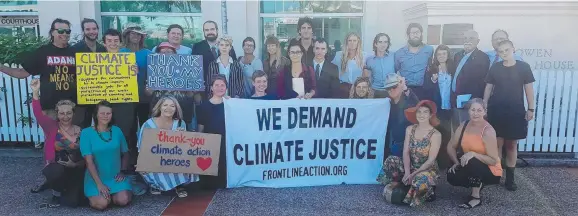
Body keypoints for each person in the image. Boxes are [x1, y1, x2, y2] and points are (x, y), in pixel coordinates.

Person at [0, 18, 84, 124]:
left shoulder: (76, 52)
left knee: (74, 139)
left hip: (73, 107)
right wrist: (1, 67)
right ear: (52, 32)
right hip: (51, 108)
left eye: (68, 31)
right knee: (53, 139)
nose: (65, 34)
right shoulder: (43, 52)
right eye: (61, 31)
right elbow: (22, 73)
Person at [483, 40, 535, 191]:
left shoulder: (524, 67)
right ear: (498, 53)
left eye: (507, 50)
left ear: (513, 49)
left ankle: (510, 179)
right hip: (496, 110)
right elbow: (488, 87)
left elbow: (529, 90)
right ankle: (497, 175)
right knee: (497, 144)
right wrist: (485, 104)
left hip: (515, 111)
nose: (504, 53)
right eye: (501, 51)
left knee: (511, 145)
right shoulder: (495, 67)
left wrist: (531, 109)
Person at [30, 79, 85, 208]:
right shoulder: (51, 127)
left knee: (73, 203)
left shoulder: (81, 130)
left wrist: (75, 165)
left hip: (76, 169)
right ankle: (57, 191)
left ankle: (69, 191)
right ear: (57, 114)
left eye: (69, 113)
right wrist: (35, 91)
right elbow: (38, 113)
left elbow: (87, 155)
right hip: (57, 168)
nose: (65, 116)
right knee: (54, 172)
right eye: (62, 113)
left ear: (73, 113)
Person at [377, 100, 441, 207]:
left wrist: (413, 174)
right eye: (419, 112)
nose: (422, 115)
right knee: (391, 160)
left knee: (421, 179)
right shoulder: (410, 129)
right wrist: (407, 172)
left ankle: (426, 190)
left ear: (430, 115)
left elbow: (431, 160)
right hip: (410, 166)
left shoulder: (436, 134)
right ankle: (402, 183)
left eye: (425, 112)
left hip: (426, 170)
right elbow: (405, 151)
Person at [137, 96, 199, 197]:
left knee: (189, 158)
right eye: (165, 105)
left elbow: (185, 148)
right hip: (155, 159)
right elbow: (141, 147)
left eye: (172, 106)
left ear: (176, 109)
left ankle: (179, 184)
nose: (168, 108)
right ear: (160, 107)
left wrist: (184, 137)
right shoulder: (148, 124)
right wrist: (142, 163)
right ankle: (155, 184)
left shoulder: (180, 123)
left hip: (173, 159)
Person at [447, 98, 501, 209]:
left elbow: (493, 160)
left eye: (479, 110)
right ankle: (477, 183)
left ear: (485, 112)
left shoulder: (488, 131)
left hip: (490, 169)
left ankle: (475, 197)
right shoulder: (464, 125)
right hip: (469, 163)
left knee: (472, 160)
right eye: (473, 110)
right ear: (468, 111)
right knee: (452, 176)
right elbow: (451, 146)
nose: (475, 113)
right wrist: (456, 162)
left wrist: (474, 154)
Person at [80, 100, 132, 210]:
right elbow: (89, 162)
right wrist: (99, 184)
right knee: (101, 204)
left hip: (114, 176)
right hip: (95, 178)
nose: (105, 116)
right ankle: (101, 196)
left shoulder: (117, 130)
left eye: (108, 113)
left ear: (112, 115)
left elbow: (126, 153)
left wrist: (122, 171)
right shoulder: (86, 133)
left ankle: (115, 193)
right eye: (102, 113)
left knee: (123, 200)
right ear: (96, 114)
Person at [147, 42, 197, 132]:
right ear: (158, 55)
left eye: (169, 52)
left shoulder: (185, 69)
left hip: (182, 113)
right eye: (163, 52)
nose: (166, 54)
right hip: (159, 114)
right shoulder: (152, 69)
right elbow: (148, 93)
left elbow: (190, 95)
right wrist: (151, 87)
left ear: (175, 54)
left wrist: (189, 88)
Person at [72, 18, 107, 128]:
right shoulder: (74, 49)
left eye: (94, 28)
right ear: (83, 31)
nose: (92, 31)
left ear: (98, 30)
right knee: (81, 127)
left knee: (101, 126)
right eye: (88, 29)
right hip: (82, 98)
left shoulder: (103, 49)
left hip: (100, 96)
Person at [424, 44, 455, 169]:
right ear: (436, 56)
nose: (441, 56)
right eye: (439, 54)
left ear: (448, 55)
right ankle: (433, 161)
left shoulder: (453, 68)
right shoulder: (432, 69)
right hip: (437, 107)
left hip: (448, 107)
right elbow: (426, 88)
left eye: (444, 54)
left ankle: (444, 162)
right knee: (436, 134)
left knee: (447, 135)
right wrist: (433, 81)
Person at [451, 30, 490, 129]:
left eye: (471, 38)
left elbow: (480, 82)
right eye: (465, 38)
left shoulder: (483, 57)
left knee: (468, 130)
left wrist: (472, 101)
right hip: (455, 100)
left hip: (470, 102)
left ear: (478, 41)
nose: (467, 41)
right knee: (457, 130)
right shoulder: (458, 55)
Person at [197, 75, 229, 189]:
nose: (220, 88)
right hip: (210, 143)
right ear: (211, 88)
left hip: (227, 142)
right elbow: (201, 126)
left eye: (222, 85)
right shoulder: (203, 106)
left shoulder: (231, 104)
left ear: (226, 88)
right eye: (216, 85)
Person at [193, 20, 237, 99]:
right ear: (203, 32)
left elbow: (235, 67)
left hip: (228, 92)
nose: (210, 32)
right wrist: (197, 93)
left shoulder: (227, 46)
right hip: (206, 93)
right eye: (207, 30)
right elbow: (194, 71)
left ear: (217, 30)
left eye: (212, 29)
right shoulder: (197, 47)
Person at [120, 24, 153, 128]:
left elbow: (153, 74)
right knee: (130, 126)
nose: (136, 36)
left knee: (146, 125)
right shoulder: (120, 53)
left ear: (142, 37)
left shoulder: (149, 53)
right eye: (133, 33)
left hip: (145, 95)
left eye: (139, 34)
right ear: (127, 35)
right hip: (127, 97)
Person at [394, 23, 434, 100]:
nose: (415, 35)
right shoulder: (399, 53)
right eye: (413, 33)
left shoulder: (429, 50)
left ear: (421, 34)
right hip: (405, 90)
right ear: (408, 35)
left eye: (418, 32)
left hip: (424, 90)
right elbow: (396, 69)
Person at [384, 73, 419, 157]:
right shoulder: (387, 104)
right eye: (388, 88)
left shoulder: (409, 100)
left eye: (394, 87)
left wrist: (405, 89)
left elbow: (418, 106)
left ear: (400, 86)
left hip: (411, 146)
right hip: (394, 146)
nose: (391, 90)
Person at [332, 32, 371, 98]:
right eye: (350, 40)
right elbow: (332, 71)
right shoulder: (339, 55)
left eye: (354, 40)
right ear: (346, 42)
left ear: (358, 42)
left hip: (358, 91)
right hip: (342, 89)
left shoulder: (365, 56)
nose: (352, 43)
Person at [365, 33, 395, 98]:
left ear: (388, 44)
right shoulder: (369, 60)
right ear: (375, 44)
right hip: (375, 92)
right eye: (380, 42)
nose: (383, 45)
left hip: (391, 91)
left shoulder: (394, 56)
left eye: (385, 42)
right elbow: (368, 78)